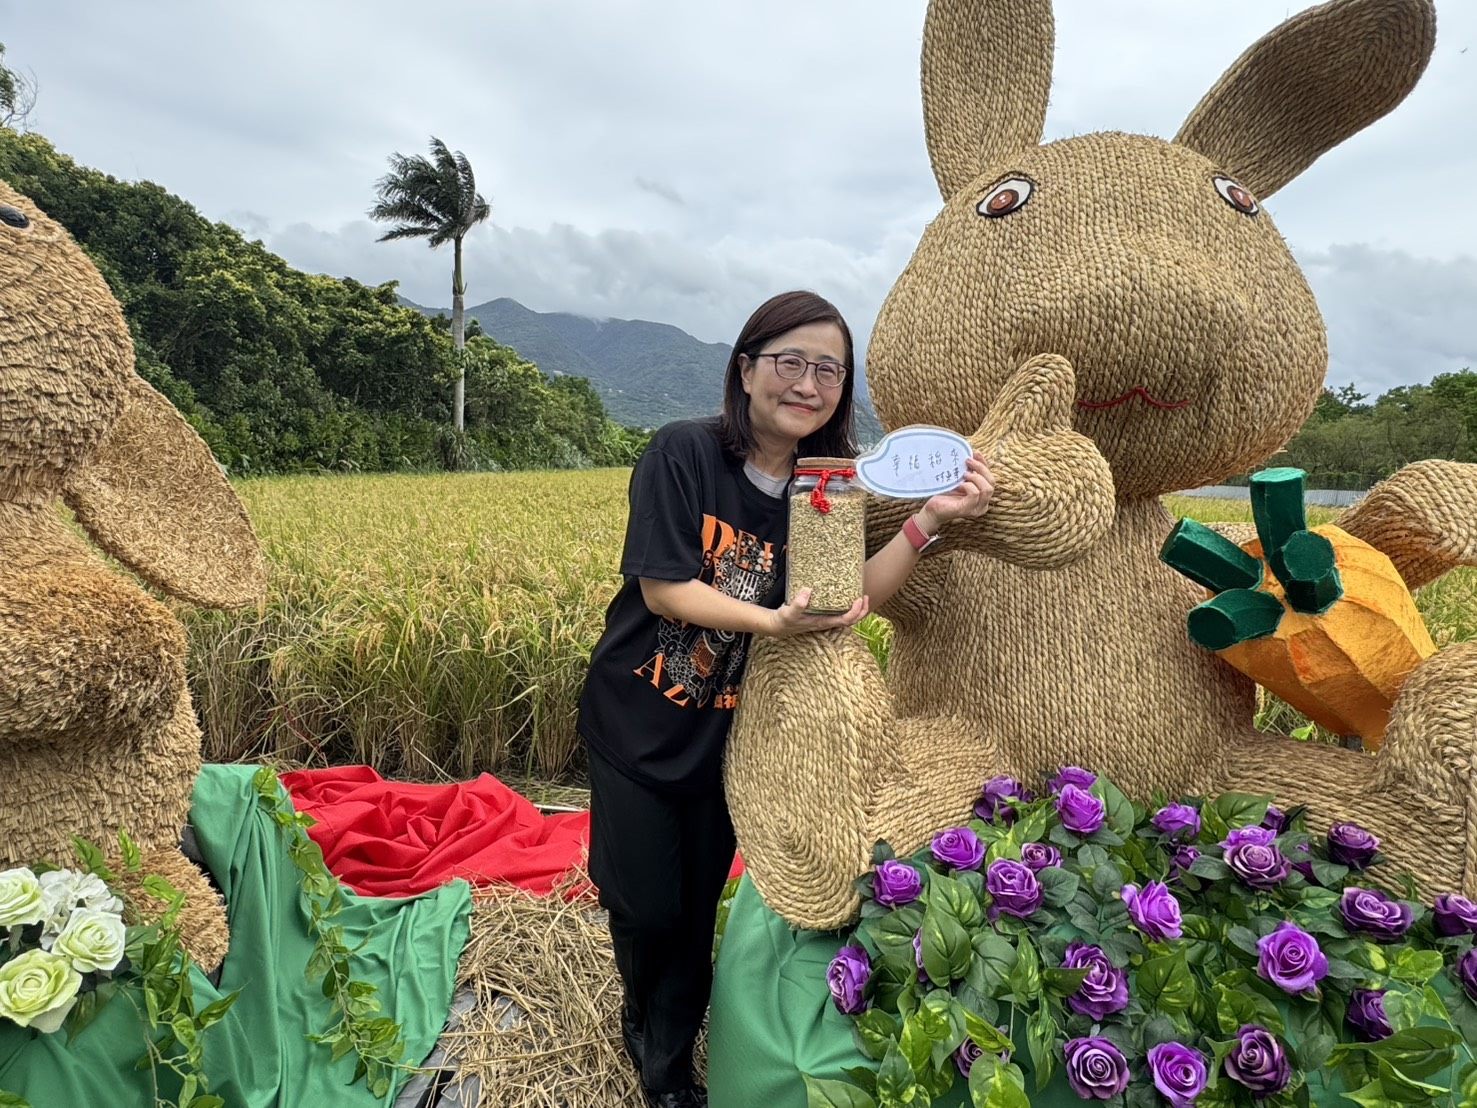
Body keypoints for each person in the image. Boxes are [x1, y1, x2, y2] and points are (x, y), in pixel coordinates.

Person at [576, 290, 994, 1108]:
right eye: (789, 362)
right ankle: (654, 1053)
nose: (807, 383)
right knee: (648, 906)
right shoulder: (683, 454)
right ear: (746, 369)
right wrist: (772, 618)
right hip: (638, 716)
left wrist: (929, 524)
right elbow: (664, 590)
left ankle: (670, 1047)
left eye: (827, 370)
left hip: (734, 732)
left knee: (697, 910)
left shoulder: (826, 486)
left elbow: (845, 598)